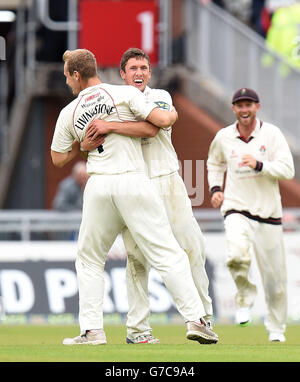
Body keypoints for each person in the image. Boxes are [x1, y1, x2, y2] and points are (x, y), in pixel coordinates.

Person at [50, 48, 218, 346]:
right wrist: (174, 113)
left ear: (77, 75)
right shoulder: (122, 94)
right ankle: (195, 319)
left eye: (67, 78)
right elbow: (159, 123)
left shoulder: (69, 111)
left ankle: (92, 331)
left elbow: (57, 158)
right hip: (132, 180)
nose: (68, 83)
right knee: (167, 252)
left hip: (99, 185)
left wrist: (83, 144)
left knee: (89, 259)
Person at [207, 88, 294, 342]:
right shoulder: (224, 137)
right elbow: (214, 163)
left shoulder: (272, 134)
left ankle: (276, 329)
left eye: (249, 105)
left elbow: (288, 170)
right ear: (233, 109)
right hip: (237, 208)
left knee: (275, 280)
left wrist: (260, 165)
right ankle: (244, 298)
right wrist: (215, 189)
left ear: (257, 107)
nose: (244, 110)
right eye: (239, 105)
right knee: (235, 256)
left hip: (268, 214)